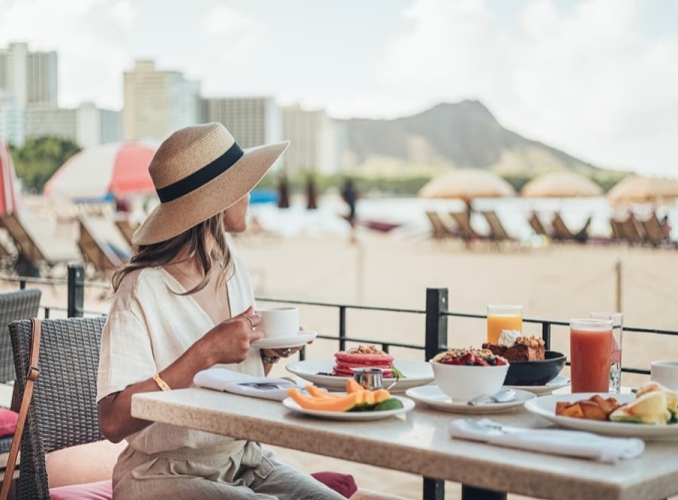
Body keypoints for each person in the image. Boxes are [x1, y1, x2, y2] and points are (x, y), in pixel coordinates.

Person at [97, 123, 346, 500]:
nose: (250, 194)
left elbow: (227, 384)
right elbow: (113, 421)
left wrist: (264, 357)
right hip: (162, 473)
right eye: (242, 185)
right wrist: (205, 351)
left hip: (244, 460)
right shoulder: (142, 288)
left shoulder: (233, 269)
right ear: (217, 199)